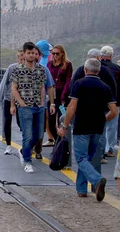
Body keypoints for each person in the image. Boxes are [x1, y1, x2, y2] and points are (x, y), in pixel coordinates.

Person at [58, 58, 117, 201]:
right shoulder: (105, 87)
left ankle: (97, 180)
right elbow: (114, 111)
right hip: (98, 128)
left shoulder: (79, 84)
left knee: (81, 158)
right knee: (88, 159)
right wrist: (103, 119)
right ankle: (81, 189)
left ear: (85, 69)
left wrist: (64, 126)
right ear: (99, 71)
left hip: (82, 127)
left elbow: (72, 107)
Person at [11, 42, 47, 173]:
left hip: (38, 105)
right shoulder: (17, 69)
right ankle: (27, 161)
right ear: (25, 54)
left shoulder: (41, 69)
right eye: (29, 53)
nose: (31, 55)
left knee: (38, 135)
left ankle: (23, 150)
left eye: (33, 53)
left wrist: (43, 102)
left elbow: (43, 86)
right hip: (25, 106)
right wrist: (20, 103)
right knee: (27, 134)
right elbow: (14, 88)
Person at [0, 50, 24, 155]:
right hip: (8, 98)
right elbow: (4, 83)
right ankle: (8, 145)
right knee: (7, 121)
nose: (22, 61)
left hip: (22, 100)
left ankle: (24, 145)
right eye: (21, 59)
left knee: (22, 123)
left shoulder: (28, 70)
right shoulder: (11, 68)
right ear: (18, 59)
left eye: (24, 59)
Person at [45, 45, 73, 147]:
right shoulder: (49, 64)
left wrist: (64, 96)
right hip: (52, 94)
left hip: (62, 95)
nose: (55, 56)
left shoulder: (67, 64)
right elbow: (47, 79)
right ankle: (57, 140)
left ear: (62, 54)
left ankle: (62, 142)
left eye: (57, 53)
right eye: (53, 53)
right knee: (51, 120)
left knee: (63, 118)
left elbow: (68, 81)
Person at [100, 45, 120, 159]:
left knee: (101, 124)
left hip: (100, 101)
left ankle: (100, 148)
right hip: (115, 101)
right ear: (111, 56)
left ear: (101, 56)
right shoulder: (117, 68)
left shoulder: (97, 67)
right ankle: (109, 148)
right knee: (112, 126)